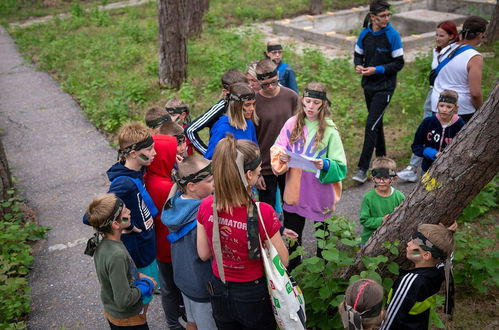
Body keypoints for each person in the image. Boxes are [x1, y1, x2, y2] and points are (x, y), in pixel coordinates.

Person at [197, 136, 289, 330]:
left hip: (218, 288)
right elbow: (282, 261)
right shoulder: (263, 212)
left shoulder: (206, 205)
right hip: (252, 292)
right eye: (257, 172)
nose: (258, 175)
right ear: (248, 175)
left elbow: (204, 253)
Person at [270, 82, 347, 270]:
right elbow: (277, 147)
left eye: (315, 102)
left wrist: (325, 164)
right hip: (295, 188)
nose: (310, 107)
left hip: (320, 190)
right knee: (293, 235)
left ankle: (322, 272)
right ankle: (294, 270)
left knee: (323, 237)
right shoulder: (292, 122)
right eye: (307, 102)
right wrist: (283, 156)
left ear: (323, 104)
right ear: (302, 101)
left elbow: (341, 165)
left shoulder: (330, 129)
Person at [397, 21, 460, 183]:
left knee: (442, 132)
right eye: (436, 35)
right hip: (433, 95)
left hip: (444, 98)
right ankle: (413, 167)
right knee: (426, 130)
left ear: (452, 36)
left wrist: (446, 102)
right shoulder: (437, 50)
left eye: (442, 35)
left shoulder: (455, 52)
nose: (438, 38)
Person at [105, 122, 160, 305]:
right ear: (133, 153)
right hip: (138, 252)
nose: (155, 153)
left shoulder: (140, 170)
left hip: (148, 244)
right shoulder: (122, 183)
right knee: (140, 304)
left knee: (148, 298)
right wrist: (125, 226)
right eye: (150, 149)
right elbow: (95, 215)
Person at [84, 193, 156, 329]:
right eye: (125, 211)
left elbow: (121, 273)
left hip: (114, 312)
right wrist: (146, 284)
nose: (129, 212)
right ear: (116, 224)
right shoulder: (116, 255)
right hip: (127, 319)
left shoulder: (103, 241)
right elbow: (124, 300)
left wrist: (140, 276)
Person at [162, 156, 217, 330]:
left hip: (184, 280)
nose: (214, 182)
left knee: (191, 322)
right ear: (191, 186)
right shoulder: (201, 215)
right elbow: (208, 253)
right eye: (209, 180)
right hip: (203, 286)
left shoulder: (174, 204)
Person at [352, 0, 404, 183]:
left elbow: (399, 63)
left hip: (385, 87)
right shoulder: (365, 34)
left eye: (388, 15)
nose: (386, 18)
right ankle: (382, 157)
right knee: (376, 122)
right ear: (373, 17)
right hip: (368, 85)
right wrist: (359, 65)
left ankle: (362, 168)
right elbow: (358, 54)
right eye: (383, 16)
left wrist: (378, 69)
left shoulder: (393, 35)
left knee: (371, 125)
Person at [143, 130, 185, 330]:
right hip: (170, 245)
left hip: (161, 242)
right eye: (172, 150)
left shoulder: (153, 176)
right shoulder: (164, 186)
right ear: (164, 156)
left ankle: (175, 319)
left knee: (169, 286)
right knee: (172, 287)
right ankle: (174, 322)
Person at [381, 224, 456, 330]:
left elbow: (390, 320)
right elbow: (449, 256)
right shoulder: (439, 271)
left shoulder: (408, 283)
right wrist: (447, 235)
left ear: (426, 255)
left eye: (414, 243)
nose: (408, 243)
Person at [254, 58, 298, 212]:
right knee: (268, 211)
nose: (270, 87)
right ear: (258, 82)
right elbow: (251, 139)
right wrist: (256, 171)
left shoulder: (291, 96)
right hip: (265, 167)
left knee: (291, 206)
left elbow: (299, 128)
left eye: (274, 81)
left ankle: (292, 236)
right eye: (265, 84)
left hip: (289, 162)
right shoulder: (253, 102)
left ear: (278, 75)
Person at [430, 16, 488, 123]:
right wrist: (481, 111)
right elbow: (475, 93)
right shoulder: (474, 57)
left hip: (438, 105)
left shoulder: (446, 49)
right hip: (460, 109)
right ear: (480, 34)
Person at [185, 69, 247, 155]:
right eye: (238, 92)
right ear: (226, 92)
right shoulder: (220, 108)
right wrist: (207, 152)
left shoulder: (249, 104)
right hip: (222, 157)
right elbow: (190, 130)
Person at [411, 90, 465, 173]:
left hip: (449, 170)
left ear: (456, 108)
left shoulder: (460, 125)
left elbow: (464, 147)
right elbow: (416, 146)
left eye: (449, 107)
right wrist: (430, 152)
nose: (444, 109)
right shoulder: (428, 122)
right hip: (427, 169)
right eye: (441, 105)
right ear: (437, 105)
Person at [204, 83, 259, 159]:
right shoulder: (222, 128)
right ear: (236, 106)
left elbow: (255, 152)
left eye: (253, 104)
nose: (252, 108)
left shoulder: (249, 124)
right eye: (247, 105)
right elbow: (210, 159)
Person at [359, 157, 405, 246]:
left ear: (394, 179)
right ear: (373, 178)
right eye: (378, 177)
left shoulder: (400, 197)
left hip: (391, 241)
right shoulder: (368, 198)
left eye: (386, 178)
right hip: (369, 241)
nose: (381, 181)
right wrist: (382, 220)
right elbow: (364, 220)